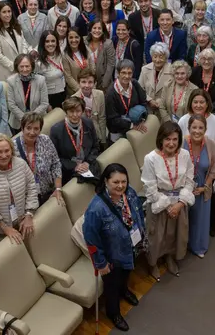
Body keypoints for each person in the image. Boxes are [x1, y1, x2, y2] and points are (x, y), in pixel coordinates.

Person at [83, 163, 146, 332]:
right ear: (106, 182)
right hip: (112, 256)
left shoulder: (130, 192)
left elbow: (138, 211)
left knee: (126, 272)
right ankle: (114, 313)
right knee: (111, 285)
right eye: (116, 182)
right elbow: (91, 238)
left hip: (131, 245)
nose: (120, 186)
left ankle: (124, 291)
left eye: (123, 182)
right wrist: (100, 263)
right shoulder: (96, 208)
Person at [142, 121, 195, 280]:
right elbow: (149, 187)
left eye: (175, 139)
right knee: (156, 237)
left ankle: (170, 257)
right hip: (159, 203)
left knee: (174, 234)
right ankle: (153, 264)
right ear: (160, 139)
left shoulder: (185, 155)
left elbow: (190, 181)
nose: (171, 143)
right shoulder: (150, 158)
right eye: (167, 139)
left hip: (179, 203)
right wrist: (168, 206)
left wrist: (179, 205)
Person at [0, 133, 39, 247]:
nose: (4, 155)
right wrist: (5, 228)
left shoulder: (21, 164)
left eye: (7, 151)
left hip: (23, 223)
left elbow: (31, 187)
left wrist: (29, 215)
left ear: (11, 150)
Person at [181, 113, 215, 257]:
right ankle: (181, 247)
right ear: (188, 128)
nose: (197, 131)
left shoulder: (211, 145)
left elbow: (214, 169)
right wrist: (187, 188)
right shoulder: (181, 143)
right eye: (194, 127)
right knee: (184, 220)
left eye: (200, 128)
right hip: (184, 188)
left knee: (200, 220)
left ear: (205, 129)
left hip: (202, 188)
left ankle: (198, 247)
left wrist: (205, 186)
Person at [13, 112, 63, 205]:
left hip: (49, 193)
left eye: (36, 128)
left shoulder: (45, 140)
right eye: (28, 128)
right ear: (22, 128)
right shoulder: (13, 147)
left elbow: (55, 164)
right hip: (27, 199)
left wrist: (58, 189)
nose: (32, 132)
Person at [50, 97, 101, 183]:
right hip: (69, 171)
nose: (75, 115)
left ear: (82, 111)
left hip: (88, 165)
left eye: (78, 111)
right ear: (66, 112)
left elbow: (95, 147)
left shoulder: (88, 123)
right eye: (71, 111)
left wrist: (87, 163)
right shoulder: (56, 130)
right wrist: (75, 166)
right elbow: (55, 158)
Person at [106, 59, 148, 142]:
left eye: (129, 73)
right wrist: (132, 125)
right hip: (118, 131)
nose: (127, 76)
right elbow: (113, 119)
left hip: (136, 126)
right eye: (123, 72)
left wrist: (142, 119)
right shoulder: (110, 94)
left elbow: (143, 102)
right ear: (118, 73)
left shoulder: (135, 84)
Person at [6, 54, 49, 134]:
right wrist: (25, 119)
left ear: (32, 66)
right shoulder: (11, 81)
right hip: (18, 123)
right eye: (21, 66)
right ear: (17, 67)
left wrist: (32, 119)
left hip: (37, 121)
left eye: (27, 66)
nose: (24, 69)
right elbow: (11, 105)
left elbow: (44, 103)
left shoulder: (41, 80)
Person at [0, 2, 31, 81]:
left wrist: (22, 62)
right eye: (4, 12)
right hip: (8, 71)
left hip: (22, 68)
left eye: (9, 11)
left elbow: (24, 43)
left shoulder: (16, 26)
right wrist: (15, 66)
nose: (8, 14)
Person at [72, 67, 107, 146]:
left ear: (95, 83)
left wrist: (103, 140)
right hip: (82, 137)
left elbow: (102, 118)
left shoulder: (100, 94)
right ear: (78, 83)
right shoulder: (73, 99)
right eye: (83, 82)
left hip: (97, 133)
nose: (87, 85)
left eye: (90, 82)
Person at [139, 42, 172, 121]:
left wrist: (159, 102)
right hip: (148, 110)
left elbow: (172, 91)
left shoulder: (172, 70)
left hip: (164, 111)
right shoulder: (145, 69)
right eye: (155, 56)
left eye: (161, 57)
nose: (157, 60)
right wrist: (149, 100)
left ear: (166, 57)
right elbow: (139, 89)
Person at [36, 30, 68, 107]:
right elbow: (37, 86)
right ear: (43, 43)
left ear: (57, 42)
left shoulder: (61, 55)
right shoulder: (38, 62)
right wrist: (46, 104)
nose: (50, 44)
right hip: (50, 97)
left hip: (64, 93)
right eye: (47, 41)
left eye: (53, 41)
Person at [85, 20, 116, 92]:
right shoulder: (84, 42)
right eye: (94, 28)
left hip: (104, 82)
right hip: (87, 82)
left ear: (103, 31)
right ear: (90, 29)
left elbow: (110, 65)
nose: (97, 30)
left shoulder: (108, 43)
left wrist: (103, 85)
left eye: (99, 28)